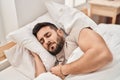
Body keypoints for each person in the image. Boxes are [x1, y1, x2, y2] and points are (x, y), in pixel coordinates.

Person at [32, 22, 113, 79]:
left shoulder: (75, 34)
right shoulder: (56, 64)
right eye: (42, 42)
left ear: (60, 32)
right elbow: (41, 78)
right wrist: (36, 57)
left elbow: (102, 54)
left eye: (48, 35)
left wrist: (62, 70)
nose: (46, 42)